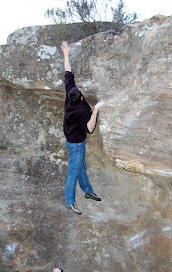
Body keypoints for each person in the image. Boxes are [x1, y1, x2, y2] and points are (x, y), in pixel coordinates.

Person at [61, 40, 105, 215]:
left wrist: (66, 54)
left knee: (81, 168)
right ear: (80, 97)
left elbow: (67, 73)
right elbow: (89, 129)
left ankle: (87, 191)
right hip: (77, 144)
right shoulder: (82, 109)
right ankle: (69, 201)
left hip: (69, 140)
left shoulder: (69, 93)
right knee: (73, 171)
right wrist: (95, 110)